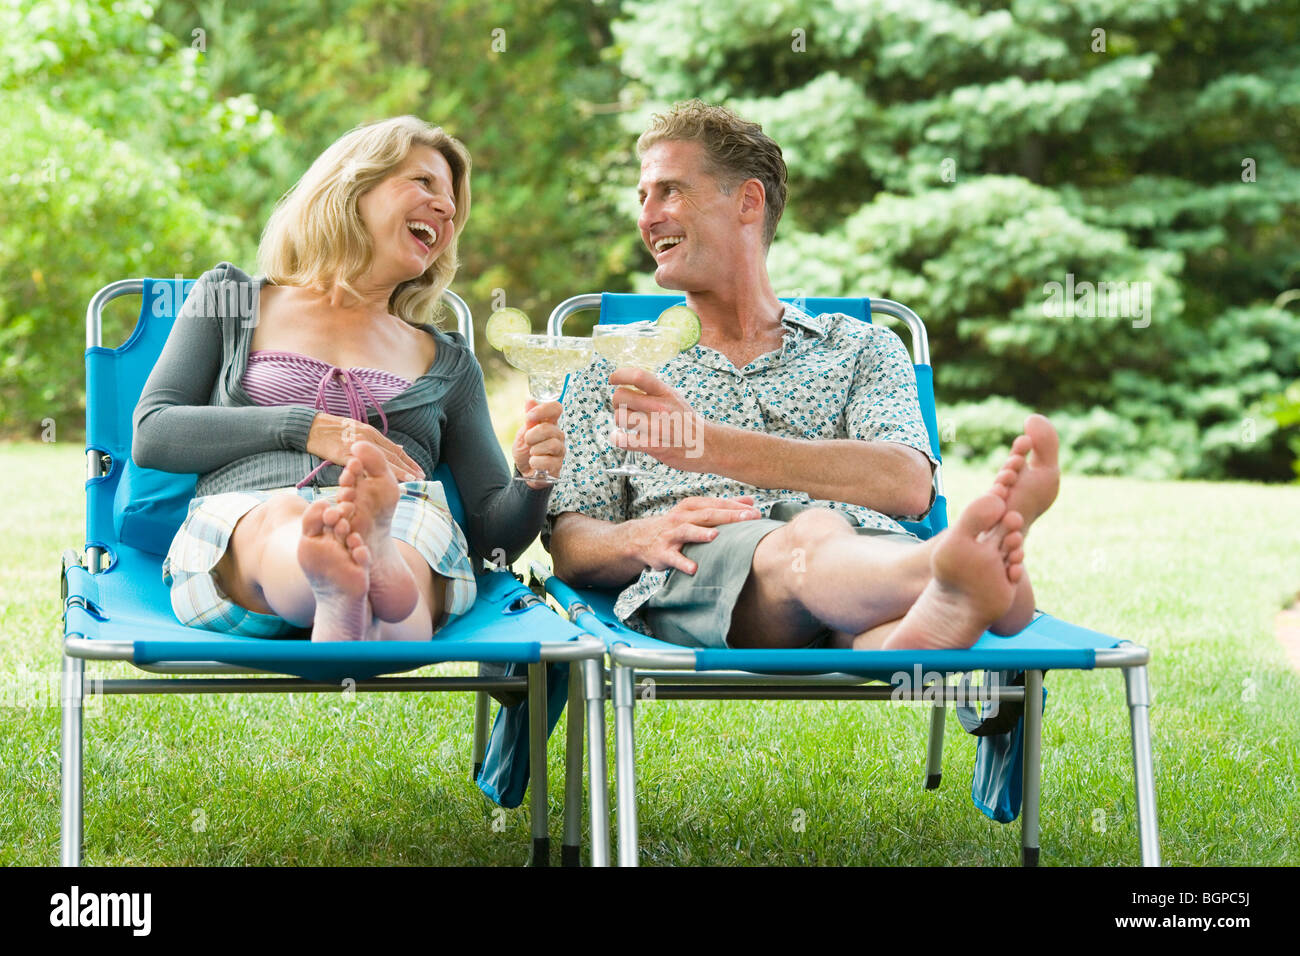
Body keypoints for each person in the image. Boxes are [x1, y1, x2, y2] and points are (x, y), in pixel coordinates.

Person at [546, 100, 1059, 651]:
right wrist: (641, 535)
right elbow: (572, 543)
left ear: (747, 201)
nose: (647, 217)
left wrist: (709, 445)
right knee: (813, 533)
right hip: (704, 566)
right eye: (643, 197)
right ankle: (952, 570)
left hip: (864, 565)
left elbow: (908, 485)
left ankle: (932, 613)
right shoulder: (617, 366)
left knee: (859, 605)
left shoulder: (860, 345)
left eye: (670, 190)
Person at [134, 116, 564, 642]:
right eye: (423, 182)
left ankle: (359, 585)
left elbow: (491, 534)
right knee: (283, 520)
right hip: (247, 524)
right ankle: (343, 580)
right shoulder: (231, 300)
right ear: (352, 185)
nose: (447, 209)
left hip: (404, 520)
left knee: (409, 537)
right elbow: (153, 433)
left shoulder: (449, 363)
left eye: (452, 204)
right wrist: (306, 427)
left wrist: (532, 480)